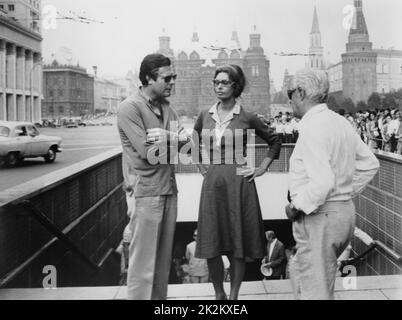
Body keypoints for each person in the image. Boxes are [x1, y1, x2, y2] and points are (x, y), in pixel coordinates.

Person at [285, 68, 379, 300]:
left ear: (301, 92)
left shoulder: (312, 126)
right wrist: (343, 192)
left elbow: (323, 181)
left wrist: (296, 206)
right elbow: (370, 163)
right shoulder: (340, 122)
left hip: (319, 218)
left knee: (314, 292)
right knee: (309, 279)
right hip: (343, 213)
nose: (290, 101)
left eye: (290, 94)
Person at [192, 64, 281, 300]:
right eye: (216, 82)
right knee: (211, 242)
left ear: (236, 85)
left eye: (224, 82)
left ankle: (233, 297)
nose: (219, 87)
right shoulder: (204, 115)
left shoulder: (247, 115)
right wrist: (202, 166)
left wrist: (261, 168)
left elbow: (274, 141)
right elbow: (193, 140)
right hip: (213, 184)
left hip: (240, 184)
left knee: (237, 244)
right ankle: (219, 294)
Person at [117, 53, 190, 300]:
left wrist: (168, 137)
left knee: (162, 263)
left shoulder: (168, 108)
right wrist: (177, 140)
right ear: (148, 78)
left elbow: (188, 147)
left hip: (169, 190)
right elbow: (149, 152)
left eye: (174, 77)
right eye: (167, 78)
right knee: (142, 266)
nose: (172, 83)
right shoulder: (129, 108)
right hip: (147, 192)